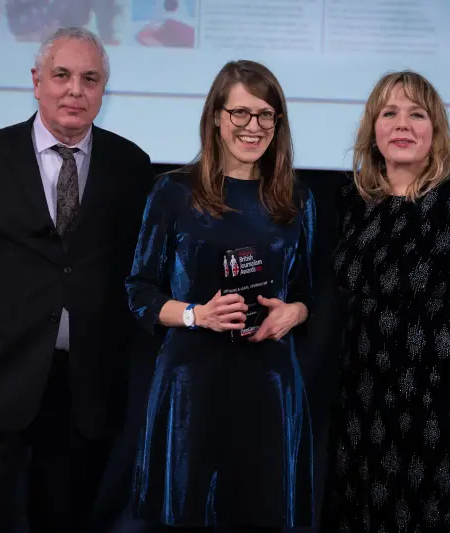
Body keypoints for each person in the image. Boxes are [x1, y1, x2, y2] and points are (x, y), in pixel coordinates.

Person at [0, 26, 154, 533]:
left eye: (90, 79)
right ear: (36, 81)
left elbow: (140, 274)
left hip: (84, 394)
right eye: (62, 75)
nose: (74, 90)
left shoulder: (132, 166)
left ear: (104, 90)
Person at [321, 70, 450, 532]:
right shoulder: (354, 200)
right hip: (361, 393)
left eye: (416, 114)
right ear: (372, 130)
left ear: (434, 129)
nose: (402, 124)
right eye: (389, 113)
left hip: (432, 395)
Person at [125, 60, 315, 532]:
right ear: (216, 116)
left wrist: (294, 311)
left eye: (265, 115)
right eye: (241, 114)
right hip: (192, 386)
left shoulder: (296, 198)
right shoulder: (172, 192)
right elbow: (139, 291)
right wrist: (196, 315)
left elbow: (311, 293)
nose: (253, 127)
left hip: (269, 387)